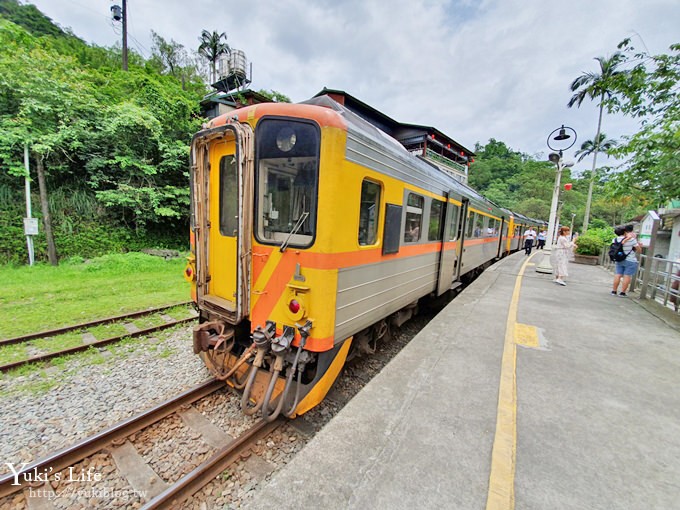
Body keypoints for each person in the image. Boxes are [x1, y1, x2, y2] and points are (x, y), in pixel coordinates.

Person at [611, 224, 640, 297]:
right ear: (624, 232)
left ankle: (614, 291)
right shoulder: (632, 240)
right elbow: (639, 250)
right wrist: (639, 246)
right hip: (630, 260)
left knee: (618, 274)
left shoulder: (615, 239)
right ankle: (622, 293)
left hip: (619, 259)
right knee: (627, 276)